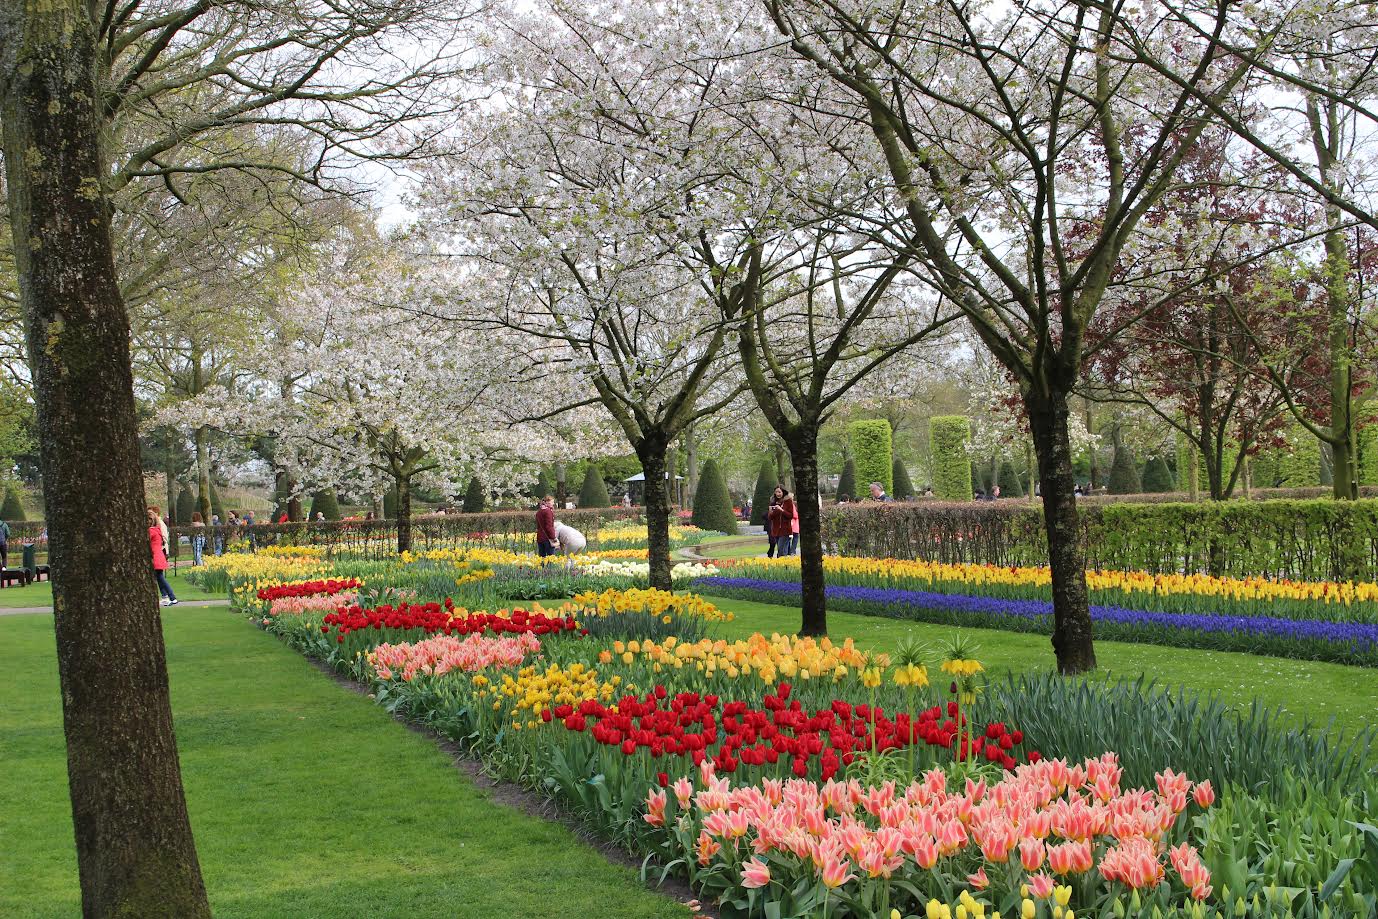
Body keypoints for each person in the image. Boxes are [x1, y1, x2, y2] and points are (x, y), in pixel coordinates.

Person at [148, 507, 178, 606]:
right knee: (159, 577)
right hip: (159, 556)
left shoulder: (151, 531)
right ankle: (166, 596)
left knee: (160, 578)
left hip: (155, 557)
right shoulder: (157, 530)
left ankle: (172, 597)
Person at [535, 495, 558, 560]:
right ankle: (550, 570)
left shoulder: (539, 512)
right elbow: (549, 526)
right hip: (547, 538)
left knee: (542, 558)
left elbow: (538, 526)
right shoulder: (548, 511)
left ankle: (541, 570)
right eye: (552, 502)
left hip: (540, 537)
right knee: (551, 559)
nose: (553, 503)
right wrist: (553, 537)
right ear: (547, 502)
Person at [765, 486, 785, 557]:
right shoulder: (772, 504)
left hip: (782, 528)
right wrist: (770, 511)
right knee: (773, 543)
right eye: (776, 492)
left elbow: (789, 515)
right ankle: (775, 556)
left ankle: (781, 557)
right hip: (773, 528)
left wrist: (780, 510)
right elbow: (768, 517)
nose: (777, 494)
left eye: (779, 492)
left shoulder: (785, 503)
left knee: (781, 546)